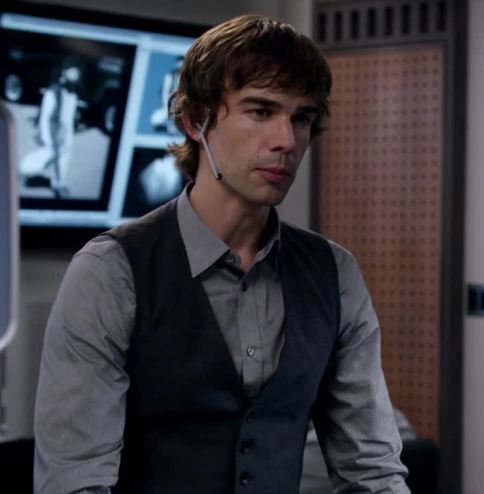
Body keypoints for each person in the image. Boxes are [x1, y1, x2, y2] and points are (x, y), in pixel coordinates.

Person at [34, 15, 410, 494]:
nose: (286, 141)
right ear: (196, 121)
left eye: (301, 118)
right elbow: (74, 481)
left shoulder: (333, 273)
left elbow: (371, 470)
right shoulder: (111, 272)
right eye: (261, 111)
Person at [19, 60, 82, 198]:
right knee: (46, 154)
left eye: (77, 71)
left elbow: (70, 115)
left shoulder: (74, 92)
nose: (77, 73)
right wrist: (47, 137)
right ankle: (22, 169)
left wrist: (69, 132)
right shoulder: (53, 92)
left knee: (64, 156)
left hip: (66, 131)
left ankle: (59, 184)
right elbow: (45, 117)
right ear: (64, 72)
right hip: (53, 130)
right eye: (73, 70)